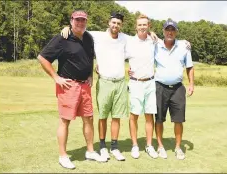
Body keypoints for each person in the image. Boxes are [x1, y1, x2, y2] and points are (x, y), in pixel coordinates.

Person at [61, 12, 159, 161]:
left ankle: (114, 147)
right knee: (103, 116)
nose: (116, 25)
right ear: (109, 23)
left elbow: (141, 35)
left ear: (122, 25)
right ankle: (102, 146)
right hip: (105, 81)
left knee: (117, 117)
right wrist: (67, 27)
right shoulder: (97, 35)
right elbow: (79, 29)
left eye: (118, 23)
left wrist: (151, 33)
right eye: (113, 22)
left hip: (120, 82)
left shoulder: (125, 38)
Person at [37, 10, 107, 169]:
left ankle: (90, 151)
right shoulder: (62, 37)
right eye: (77, 20)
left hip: (85, 85)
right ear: (71, 21)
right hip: (68, 86)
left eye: (83, 20)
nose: (80, 23)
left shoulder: (89, 38)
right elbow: (42, 58)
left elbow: (89, 59)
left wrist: (90, 75)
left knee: (88, 118)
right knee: (65, 121)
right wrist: (56, 77)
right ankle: (63, 155)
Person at [154, 20, 194, 160]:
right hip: (159, 87)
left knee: (178, 120)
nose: (169, 32)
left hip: (177, 88)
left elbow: (189, 67)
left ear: (176, 32)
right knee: (159, 119)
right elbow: (142, 34)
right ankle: (160, 147)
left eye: (172, 30)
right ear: (163, 31)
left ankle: (177, 147)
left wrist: (191, 84)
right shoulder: (156, 45)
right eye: (167, 29)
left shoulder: (184, 47)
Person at [126, 14, 158, 159]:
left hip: (150, 82)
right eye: (140, 25)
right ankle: (134, 146)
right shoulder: (129, 42)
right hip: (135, 83)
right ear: (136, 26)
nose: (142, 27)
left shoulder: (154, 40)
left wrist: (185, 43)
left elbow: (170, 41)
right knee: (134, 115)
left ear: (148, 26)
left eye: (145, 25)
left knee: (149, 116)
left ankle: (149, 145)